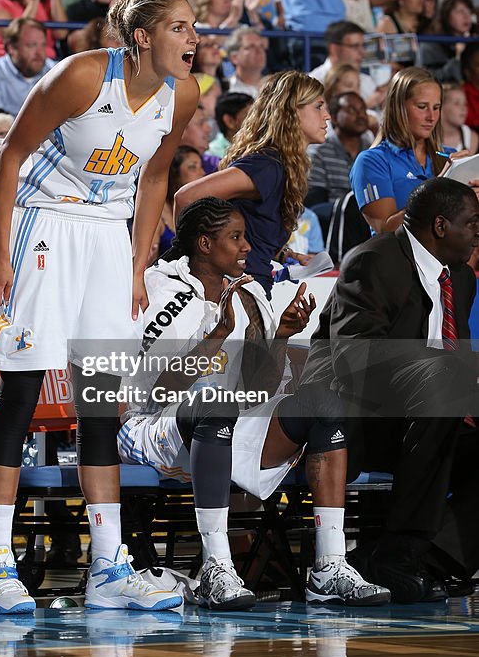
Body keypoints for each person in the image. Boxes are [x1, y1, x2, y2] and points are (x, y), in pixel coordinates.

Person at [0, 0, 200, 613]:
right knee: (20, 391)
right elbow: (11, 155)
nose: (193, 39)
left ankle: (108, 568)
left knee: (101, 404)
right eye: (181, 28)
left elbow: (155, 174)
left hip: (107, 236)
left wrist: (137, 262)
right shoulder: (80, 76)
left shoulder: (183, 94)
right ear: (142, 38)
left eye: (194, 27)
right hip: (43, 224)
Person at [120, 198, 390, 607]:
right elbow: (153, 393)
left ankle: (329, 567)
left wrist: (279, 336)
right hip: (152, 425)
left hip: (228, 419)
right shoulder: (159, 290)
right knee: (214, 402)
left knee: (320, 402)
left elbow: (258, 389)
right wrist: (216, 336)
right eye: (235, 237)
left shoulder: (249, 293)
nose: (247, 246)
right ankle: (216, 568)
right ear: (205, 244)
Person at [300, 177, 479, 601]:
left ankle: (414, 558)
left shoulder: (462, 279)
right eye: (472, 222)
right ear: (440, 226)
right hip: (359, 420)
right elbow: (354, 360)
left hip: (430, 419)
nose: (478, 231)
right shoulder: (373, 261)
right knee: (448, 376)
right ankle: (400, 550)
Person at [174, 72, 329, 297]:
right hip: (238, 293)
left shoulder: (278, 164)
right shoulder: (267, 166)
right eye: (319, 106)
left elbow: (248, 225)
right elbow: (186, 197)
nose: (327, 116)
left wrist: (281, 255)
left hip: (249, 288)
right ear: (292, 112)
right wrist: (197, 272)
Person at [350, 67, 448, 235]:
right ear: (398, 108)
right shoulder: (372, 161)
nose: (431, 117)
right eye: (422, 106)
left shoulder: (449, 157)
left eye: (436, 107)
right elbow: (385, 230)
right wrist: (443, 186)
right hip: (399, 259)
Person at [0, 18, 55, 117]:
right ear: (11, 48)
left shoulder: (55, 71)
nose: (40, 53)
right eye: (32, 45)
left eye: (43, 45)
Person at [421, 0, 477, 81]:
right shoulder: (430, 45)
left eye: (468, 11)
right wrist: (457, 58)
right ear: (447, 16)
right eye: (459, 11)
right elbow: (429, 78)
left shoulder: (474, 42)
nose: (466, 16)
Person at [208, 91, 254, 161]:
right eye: (249, 115)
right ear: (229, 121)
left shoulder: (260, 146)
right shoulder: (213, 155)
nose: (257, 119)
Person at [224, 27, 268, 98]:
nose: (259, 51)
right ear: (234, 57)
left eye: (261, 46)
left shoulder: (275, 87)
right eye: (251, 47)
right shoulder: (225, 88)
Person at [440, 83, 479, 154]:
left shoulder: (472, 138)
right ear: (441, 106)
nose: (463, 108)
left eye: (465, 104)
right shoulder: (428, 135)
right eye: (457, 103)